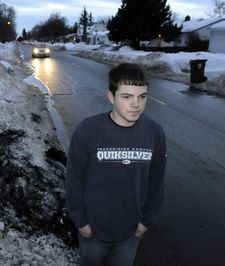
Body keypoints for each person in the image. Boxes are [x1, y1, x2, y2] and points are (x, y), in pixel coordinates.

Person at [65, 63, 167, 266]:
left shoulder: (154, 133)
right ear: (111, 97)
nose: (136, 104)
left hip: (130, 232)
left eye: (142, 96)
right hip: (93, 230)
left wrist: (146, 222)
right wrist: (81, 222)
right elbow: (74, 178)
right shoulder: (88, 130)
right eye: (127, 97)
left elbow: (156, 181)